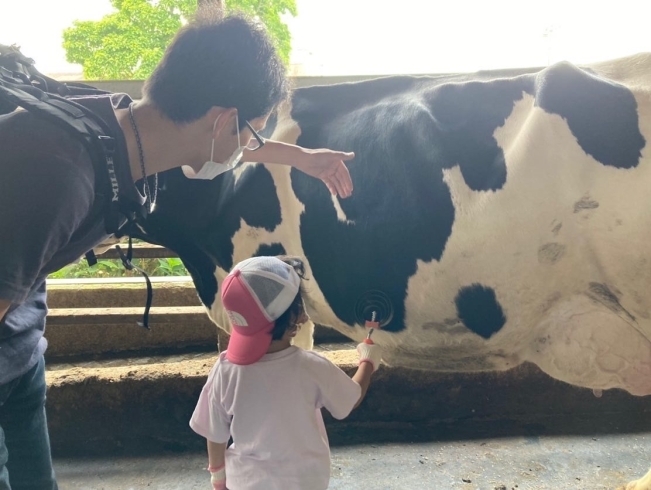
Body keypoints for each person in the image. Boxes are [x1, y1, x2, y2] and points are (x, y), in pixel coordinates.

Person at [0, 8, 356, 490]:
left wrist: (299, 157)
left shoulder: (117, 125)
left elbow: (228, 145)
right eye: (251, 130)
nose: (245, 147)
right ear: (222, 120)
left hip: (21, 351)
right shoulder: (61, 179)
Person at [189, 255, 383, 490]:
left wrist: (218, 479)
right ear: (297, 316)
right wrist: (368, 363)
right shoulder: (311, 367)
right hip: (303, 482)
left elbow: (214, 431)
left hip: (245, 482)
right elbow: (350, 399)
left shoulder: (225, 369)